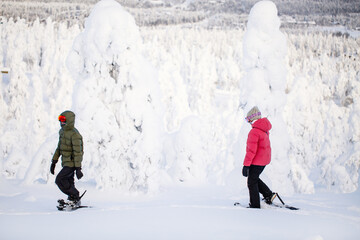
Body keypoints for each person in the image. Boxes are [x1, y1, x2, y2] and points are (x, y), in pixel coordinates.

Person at [242, 106, 276, 208]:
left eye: (249, 120)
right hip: (264, 160)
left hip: (257, 161)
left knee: (251, 182)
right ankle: (269, 195)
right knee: (254, 178)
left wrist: (246, 165)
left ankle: (255, 205)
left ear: (252, 119)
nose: (249, 123)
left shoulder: (254, 131)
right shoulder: (263, 129)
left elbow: (251, 151)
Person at [50, 110, 84, 205]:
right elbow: (59, 148)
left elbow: (78, 152)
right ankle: (72, 198)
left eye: (64, 120)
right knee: (69, 181)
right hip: (65, 162)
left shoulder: (75, 135)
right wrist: (54, 161)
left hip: (72, 163)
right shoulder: (62, 132)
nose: (62, 123)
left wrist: (78, 168)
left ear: (69, 121)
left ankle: (75, 195)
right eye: (60, 120)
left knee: (59, 180)